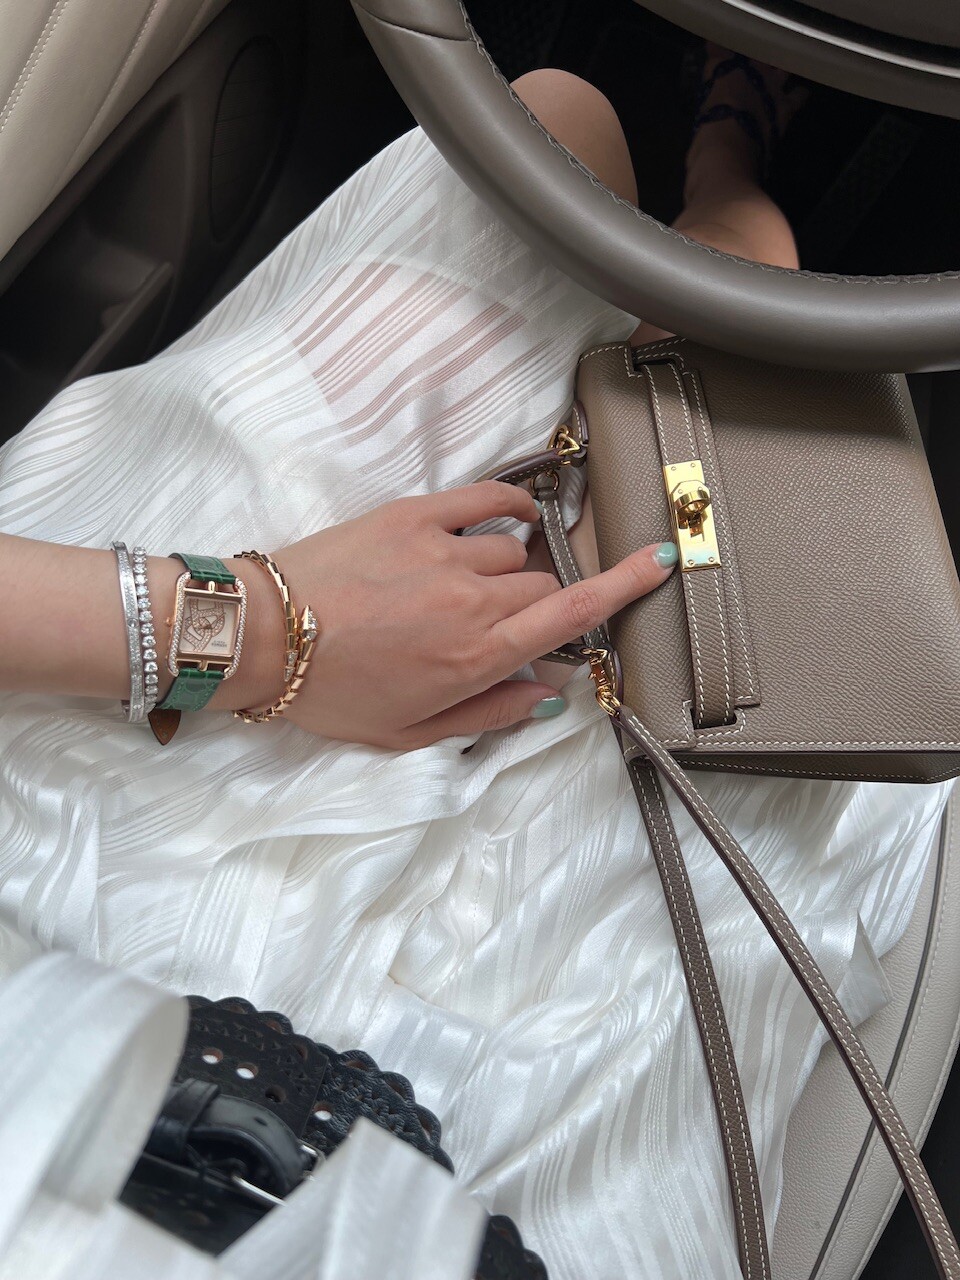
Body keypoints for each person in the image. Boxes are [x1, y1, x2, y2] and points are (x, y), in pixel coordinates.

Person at [0, 53, 949, 1280]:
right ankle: (732, 150)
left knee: (562, 134)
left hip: (70, 778)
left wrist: (265, 628)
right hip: (509, 1120)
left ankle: (730, 164)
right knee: (720, 385)